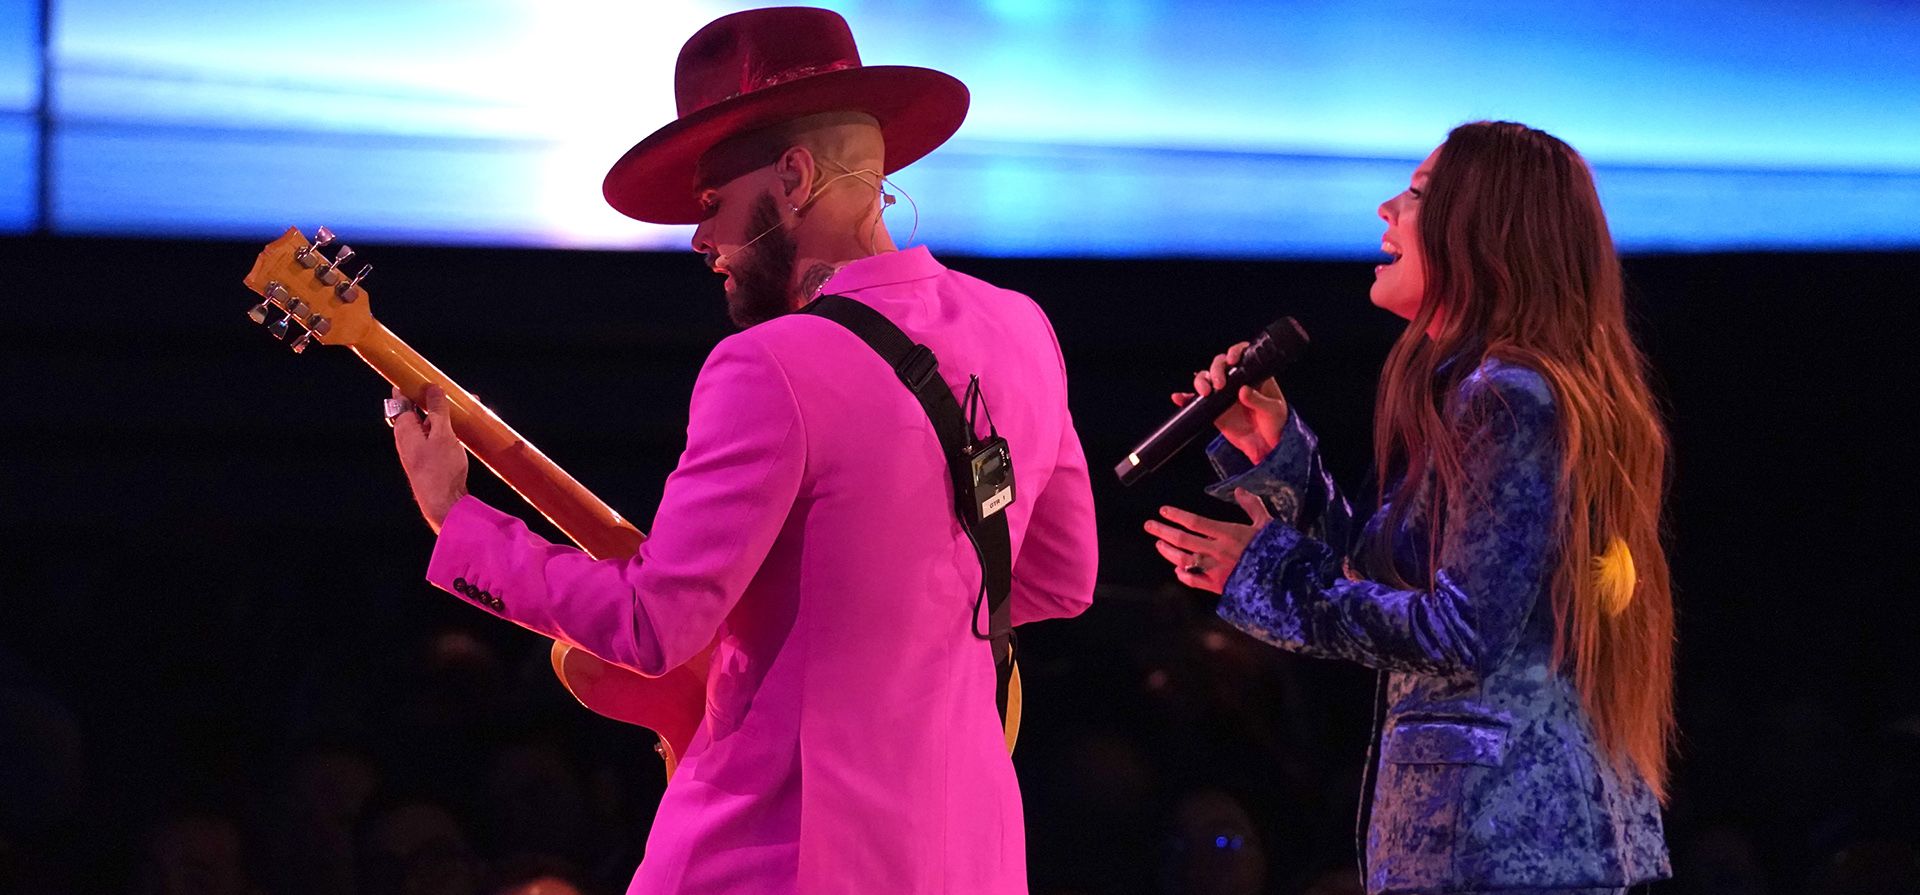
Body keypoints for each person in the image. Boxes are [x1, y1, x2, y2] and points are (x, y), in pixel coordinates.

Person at [387, 8, 1098, 893]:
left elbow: (653, 625)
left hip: (775, 856)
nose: (700, 241)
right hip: (973, 859)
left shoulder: (770, 365)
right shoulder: (1021, 328)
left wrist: (456, 519)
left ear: (795, 177)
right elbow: (1060, 579)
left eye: (713, 205)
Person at [1146, 121, 1673, 895]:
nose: (1386, 208)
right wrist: (1278, 457)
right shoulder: (1492, 390)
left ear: (1487, 230)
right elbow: (1387, 578)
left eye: (1420, 194)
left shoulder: (1508, 398)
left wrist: (1262, 575)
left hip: (1507, 849)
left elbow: (1459, 630)